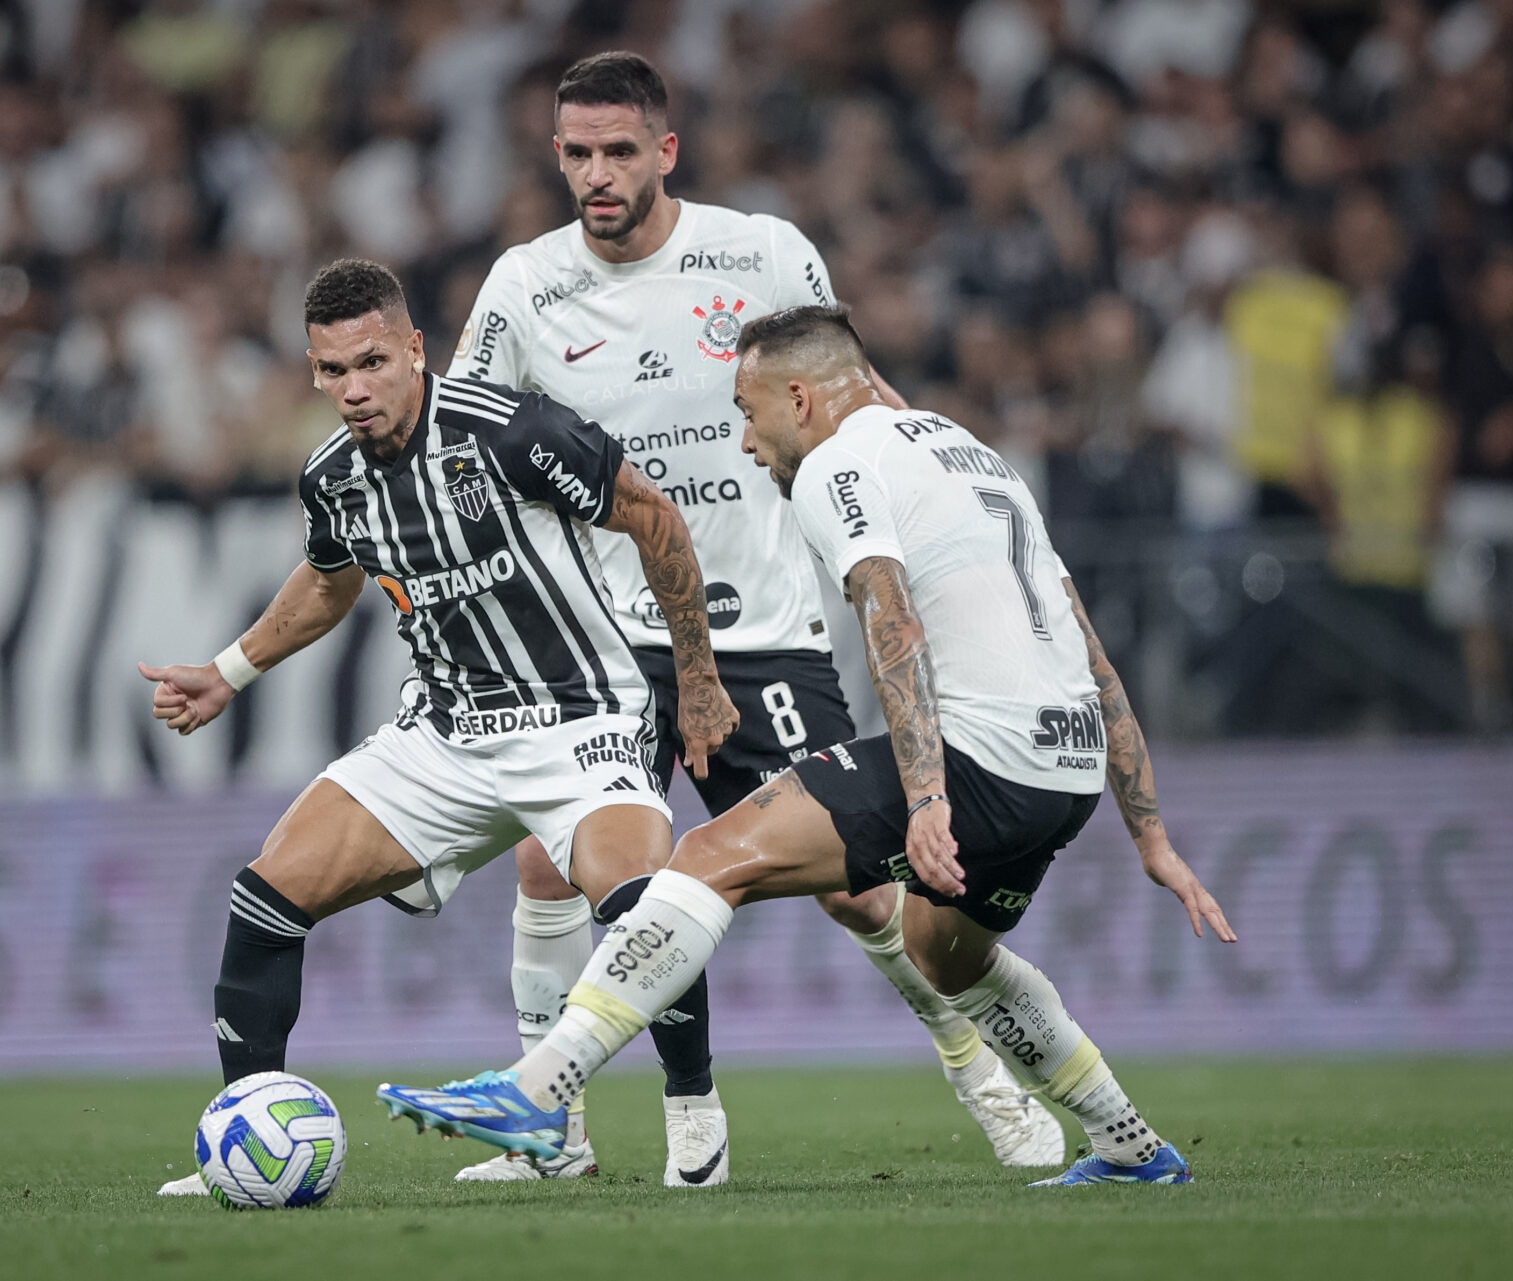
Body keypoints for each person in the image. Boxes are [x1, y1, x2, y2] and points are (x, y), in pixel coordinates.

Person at [382, 306, 1236, 1187]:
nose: (749, 445)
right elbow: (1088, 647)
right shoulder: (972, 451)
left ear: (800, 398)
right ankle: (1132, 1147)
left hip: (984, 758)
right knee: (946, 953)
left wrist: (931, 797)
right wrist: (1152, 835)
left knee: (708, 854)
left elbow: (890, 615)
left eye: (749, 415)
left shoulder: (838, 463)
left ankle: (538, 1086)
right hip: (1065, 770)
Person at [446, 52, 1063, 1186]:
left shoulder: (764, 252)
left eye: (619, 151)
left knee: (860, 891)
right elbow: (464, 432)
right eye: (576, 153)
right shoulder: (523, 285)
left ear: (666, 151)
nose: (596, 173)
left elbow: (852, 394)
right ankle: (555, 1137)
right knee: (550, 866)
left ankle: (978, 1071)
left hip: (764, 629)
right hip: (608, 636)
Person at [149, 257, 738, 1196]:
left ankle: (693, 1110)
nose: (354, 388)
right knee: (265, 897)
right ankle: (246, 1136)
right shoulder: (334, 477)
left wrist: (698, 683)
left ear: (416, 349)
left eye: (372, 362)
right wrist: (229, 672)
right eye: (332, 370)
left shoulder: (510, 431)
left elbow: (655, 518)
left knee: (638, 903)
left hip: (579, 716)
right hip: (446, 736)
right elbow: (329, 579)